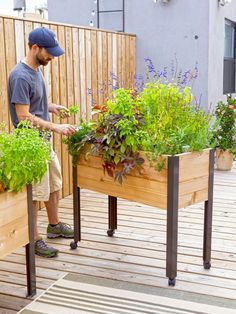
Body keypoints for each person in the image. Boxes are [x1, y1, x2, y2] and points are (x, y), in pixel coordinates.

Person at [8, 27, 76, 258]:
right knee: (36, 194)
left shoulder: (36, 70)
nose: (52, 57)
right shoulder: (20, 76)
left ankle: (54, 226)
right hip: (30, 146)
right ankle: (34, 238)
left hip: (43, 141)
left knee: (54, 186)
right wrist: (56, 127)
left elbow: (34, 104)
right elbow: (23, 115)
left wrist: (52, 107)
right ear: (35, 48)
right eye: (50, 52)